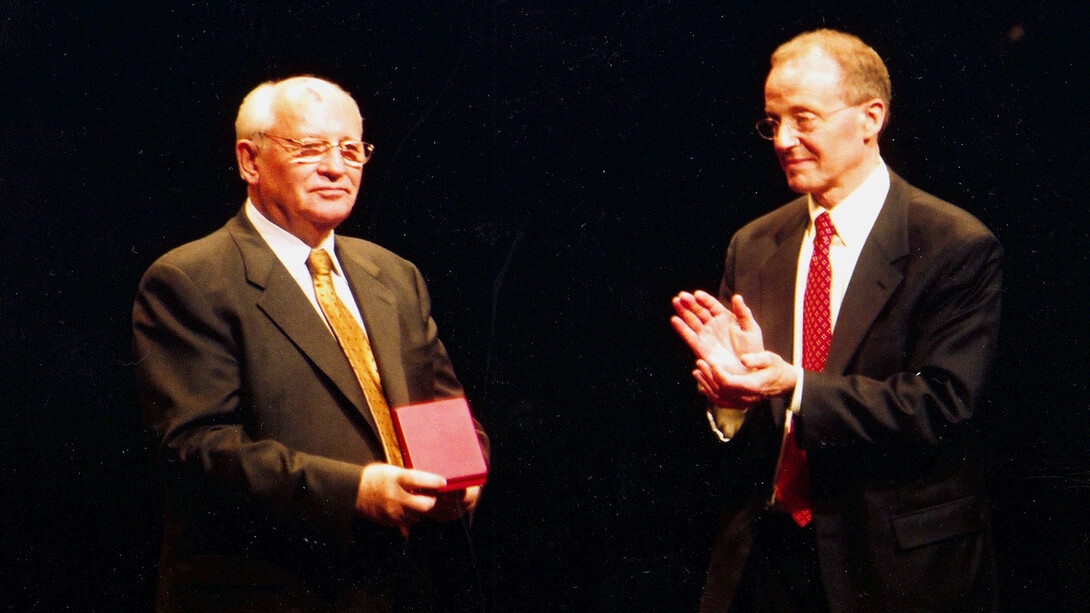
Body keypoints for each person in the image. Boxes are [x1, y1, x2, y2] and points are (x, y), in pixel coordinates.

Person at [672, 30, 1000, 612]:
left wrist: (792, 384)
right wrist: (730, 402)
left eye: (805, 118)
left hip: (891, 567)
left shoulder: (951, 244)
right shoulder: (754, 244)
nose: (784, 140)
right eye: (774, 121)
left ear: (871, 118)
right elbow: (733, 426)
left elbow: (942, 405)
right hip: (767, 560)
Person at [134, 76, 487, 612]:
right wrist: (356, 492)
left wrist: (463, 474)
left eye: (352, 150)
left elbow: (443, 408)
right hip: (278, 592)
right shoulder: (191, 279)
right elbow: (196, 449)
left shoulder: (393, 274)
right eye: (310, 149)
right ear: (250, 161)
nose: (336, 168)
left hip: (407, 589)